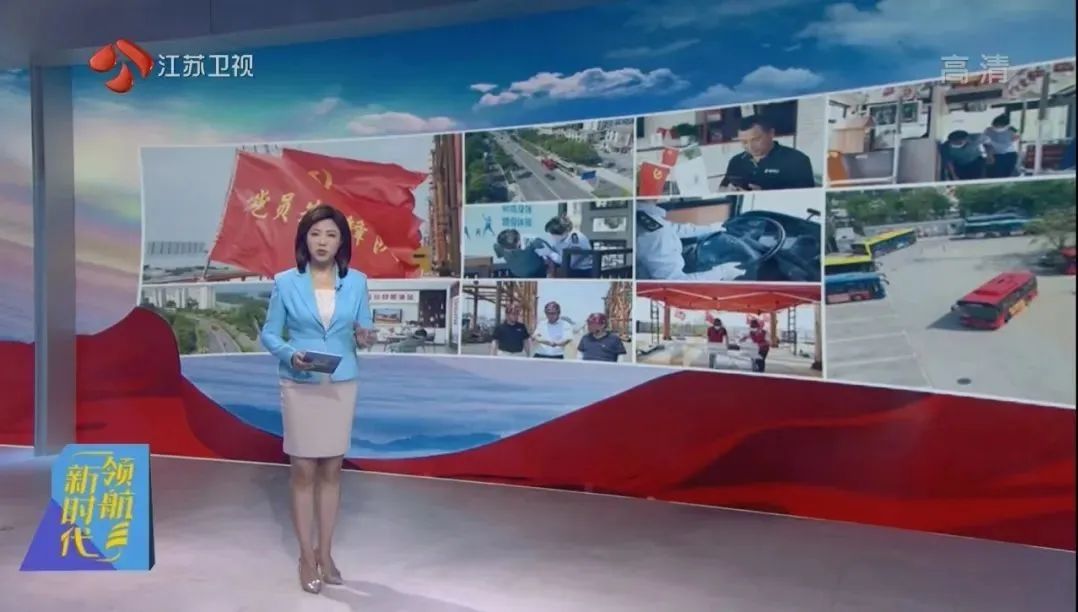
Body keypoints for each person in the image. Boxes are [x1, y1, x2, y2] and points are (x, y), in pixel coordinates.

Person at [260, 204, 375, 595]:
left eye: (330, 234)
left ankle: (325, 553)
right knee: (303, 470)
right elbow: (270, 334)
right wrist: (289, 354)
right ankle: (305, 558)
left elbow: (364, 328)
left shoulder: (356, 282)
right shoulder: (285, 282)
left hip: (341, 383)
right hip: (299, 382)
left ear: (342, 241)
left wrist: (365, 337)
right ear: (303, 239)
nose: (322, 242)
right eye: (315, 234)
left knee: (331, 470)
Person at [636, 202, 745, 280]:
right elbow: (675, 282)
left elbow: (675, 229)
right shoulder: (657, 235)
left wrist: (711, 228)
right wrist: (721, 273)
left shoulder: (646, 215)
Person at [719, 115, 816, 191]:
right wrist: (729, 191)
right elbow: (722, 188)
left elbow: (807, 195)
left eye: (755, 140)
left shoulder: (797, 160)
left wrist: (764, 194)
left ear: (771, 133)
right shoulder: (736, 161)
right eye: (744, 142)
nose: (750, 147)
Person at [981, 115, 1020, 179]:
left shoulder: (1011, 131)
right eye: (995, 125)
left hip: (1008, 155)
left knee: (1005, 175)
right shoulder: (988, 130)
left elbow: (1003, 147)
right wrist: (989, 155)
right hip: (994, 154)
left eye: (999, 125)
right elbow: (985, 144)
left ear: (1005, 126)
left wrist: (990, 142)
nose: (997, 127)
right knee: (992, 175)